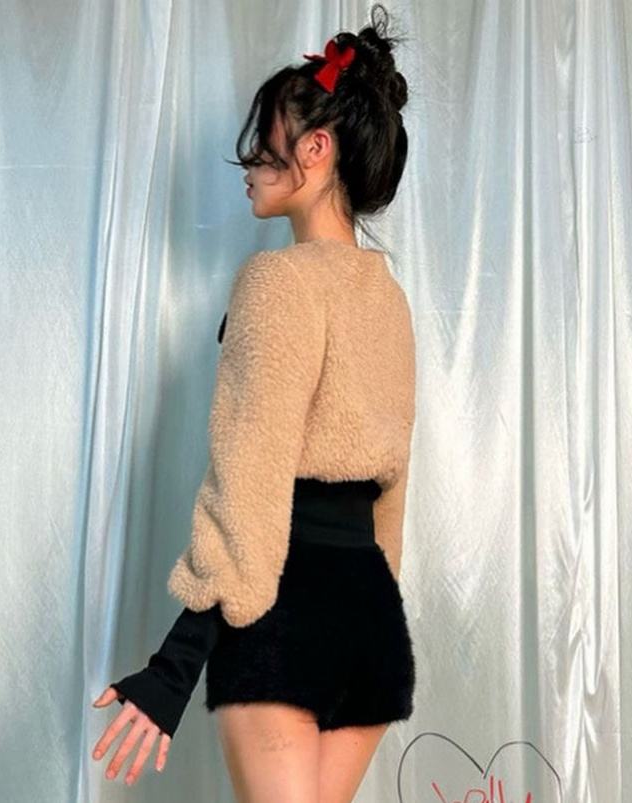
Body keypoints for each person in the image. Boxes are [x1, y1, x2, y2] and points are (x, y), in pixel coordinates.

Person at [92, 4, 417, 799]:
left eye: (264, 140)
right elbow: (392, 495)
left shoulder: (275, 283)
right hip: (371, 619)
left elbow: (249, 485)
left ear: (315, 148)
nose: (248, 162)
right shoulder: (389, 298)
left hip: (284, 612)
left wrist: (174, 666)